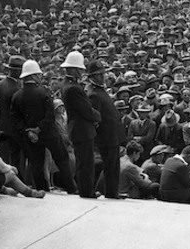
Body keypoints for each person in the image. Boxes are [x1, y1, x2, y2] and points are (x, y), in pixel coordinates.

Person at [10, 59, 76, 194]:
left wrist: (29, 132)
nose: (40, 77)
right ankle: (71, 188)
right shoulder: (44, 92)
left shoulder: (17, 96)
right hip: (49, 133)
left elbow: (15, 119)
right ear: (34, 76)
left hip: (30, 136)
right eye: (39, 75)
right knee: (62, 159)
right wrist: (39, 128)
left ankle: (42, 189)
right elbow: (50, 116)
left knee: (36, 164)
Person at [60, 51, 100, 198]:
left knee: (83, 161)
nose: (81, 72)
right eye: (80, 69)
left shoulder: (67, 85)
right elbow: (87, 111)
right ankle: (87, 191)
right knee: (86, 163)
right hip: (82, 129)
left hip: (77, 128)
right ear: (74, 69)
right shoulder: (74, 88)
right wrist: (98, 116)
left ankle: (85, 189)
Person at [87, 59, 125, 199]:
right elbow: (96, 118)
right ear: (91, 77)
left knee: (113, 165)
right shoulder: (93, 93)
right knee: (110, 165)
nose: (102, 77)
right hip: (106, 136)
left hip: (112, 135)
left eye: (103, 73)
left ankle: (112, 191)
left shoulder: (100, 90)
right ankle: (110, 192)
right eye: (98, 74)